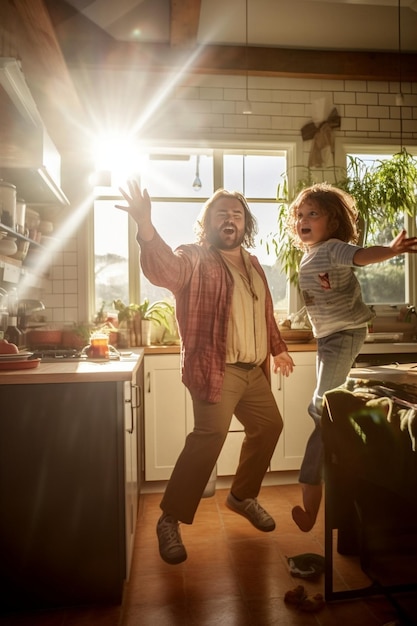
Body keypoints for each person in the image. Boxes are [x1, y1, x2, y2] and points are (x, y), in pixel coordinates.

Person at [116, 181, 295, 564]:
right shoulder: (194, 256)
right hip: (217, 367)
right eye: (221, 213)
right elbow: (166, 271)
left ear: (245, 223)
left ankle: (242, 496)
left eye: (237, 214)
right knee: (209, 437)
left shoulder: (253, 264)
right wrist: (146, 227)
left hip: (253, 371)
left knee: (269, 427)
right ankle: (170, 519)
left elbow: (265, 314)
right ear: (207, 222)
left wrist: (278, 349)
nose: (230, 219)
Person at [286, 182, 417, 532]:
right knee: (323, 410)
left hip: (345, 333)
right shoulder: (309, 254)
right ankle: (331, 475)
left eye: (313, 213)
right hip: (328, 337)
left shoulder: (332, 248)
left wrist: (390, 250)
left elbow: (360, 256)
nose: (304, 219)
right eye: (300, 214)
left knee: (319, 408)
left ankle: (314, 502)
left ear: (332, 221)